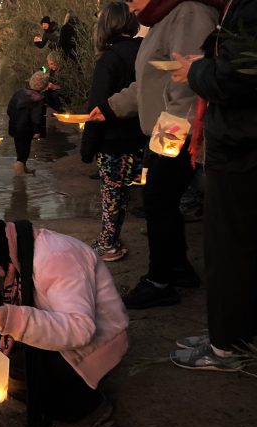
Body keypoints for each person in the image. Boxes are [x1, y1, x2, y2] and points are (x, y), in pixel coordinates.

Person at [166, 0, 257, 370]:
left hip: (245, 142)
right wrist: (202, 63)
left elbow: (232, 78)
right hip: (251, 140)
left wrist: (196, 70)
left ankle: (225, 346)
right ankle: (237, 334)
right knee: (242, 245)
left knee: (228, 248)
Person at [87, 0, 223, 309]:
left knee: (158, 200)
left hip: (183, 130)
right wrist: (109, 108)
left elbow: (189, 88)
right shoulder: (162, 21)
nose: (130, 3)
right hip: (171, 129)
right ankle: (178, 269)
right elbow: (147, 84)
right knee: (163, 201)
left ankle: (159, 281)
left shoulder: (189, 13)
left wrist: (165, 143)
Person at [0, 220, 129, 427]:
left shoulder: (57, 259)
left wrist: (17, 321)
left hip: (100, 339)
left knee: (16, 366)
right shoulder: (15, 259)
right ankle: (56, 392)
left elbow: (81, 328)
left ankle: (87, 410)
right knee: (4, 336)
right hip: (61, 328)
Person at [81, 2, 145, 262]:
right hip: (140, 137)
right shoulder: (143, 49)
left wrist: (87, 147)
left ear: (105, 25)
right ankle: (112, 239)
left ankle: (108, 243)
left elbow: (97, 107)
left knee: (111, 196)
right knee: (125, 191)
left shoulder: (110, 58)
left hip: (112, 141)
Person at [7, 72, 48, 176]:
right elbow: (36, 117)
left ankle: (23, 168)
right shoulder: (38, 98)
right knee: (24, 151)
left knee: (20, 149)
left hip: (15, 127)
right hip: (26, 129)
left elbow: (9, 109)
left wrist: (13, 120)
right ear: (44, 85)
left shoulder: (19, 92)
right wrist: (37, 131)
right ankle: (19, 176)